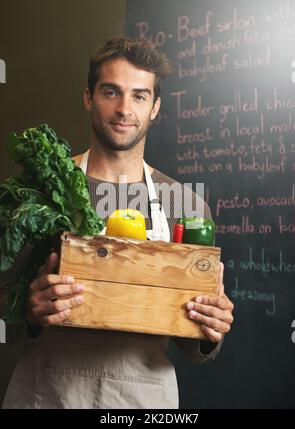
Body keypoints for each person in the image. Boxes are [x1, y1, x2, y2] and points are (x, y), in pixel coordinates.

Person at [2, 37, 234, 409]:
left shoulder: (184, 205)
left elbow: (193, 344)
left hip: (141, 397)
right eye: (111, 92)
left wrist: (211, 328)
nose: (124, 109)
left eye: (140, 96)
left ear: (155, 107)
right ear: (88, 97)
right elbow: (2, 309)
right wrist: (28, 313)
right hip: (47, 393)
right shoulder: (39, 191)